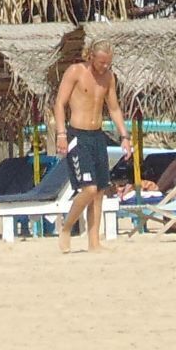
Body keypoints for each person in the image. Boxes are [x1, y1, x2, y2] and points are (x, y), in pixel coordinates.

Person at [51, 42, 125, 253]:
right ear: (91, 56)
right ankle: (66, 228)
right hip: (77, 135)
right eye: (101, 62)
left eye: (108, 63)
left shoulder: (108, 78)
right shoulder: (76, 71)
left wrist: (124, 135)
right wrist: (61, 134)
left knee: (100, 189)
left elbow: (114, 108)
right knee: (89, 188)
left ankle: (94, 242)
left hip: (97, 135)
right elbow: (59, 103)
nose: (104, 67)